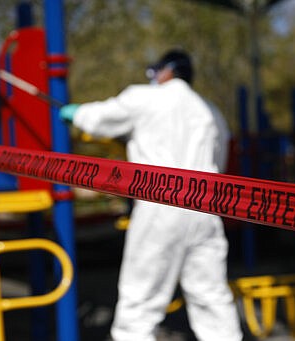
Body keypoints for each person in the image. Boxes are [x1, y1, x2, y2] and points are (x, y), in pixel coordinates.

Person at [60, 49, 243, 341]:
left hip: (159, 208)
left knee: (140, 302)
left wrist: (76, 113)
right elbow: (218, 160)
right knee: (211, 296)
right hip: (205, 207)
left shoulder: (145, 98)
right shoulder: (210, 111)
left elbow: (101, 117)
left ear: (167, 71)